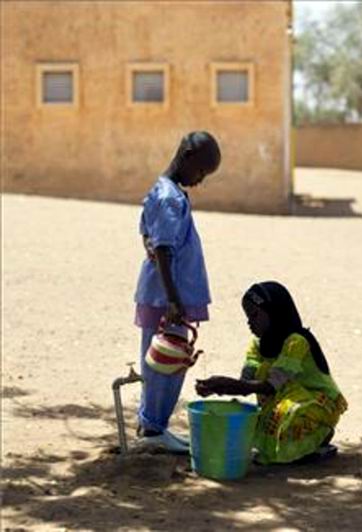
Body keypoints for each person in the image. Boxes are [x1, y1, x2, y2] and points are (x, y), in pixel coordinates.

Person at [134, 131, 221, 453]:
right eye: (200, 172)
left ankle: (151, 424)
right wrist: (173, 299)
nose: (199, 181)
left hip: (164, 294)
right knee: (166, 362)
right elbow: (164, 249)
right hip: (167, 298)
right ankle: (154, 429)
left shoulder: (163, 191)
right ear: (186, 157)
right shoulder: (169, 197)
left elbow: (148, 237)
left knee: (161, 360)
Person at [196, 281, 348, 465]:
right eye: (247, 318)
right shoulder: (257, 346)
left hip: (315, 404)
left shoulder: (296, 342)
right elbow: (246, 382)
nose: (249, 323)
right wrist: (219, 387)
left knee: (290, 416)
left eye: (254, 315)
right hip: (282, 398)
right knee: (261, 424)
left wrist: (226, 385)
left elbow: (270, 386)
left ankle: (320, 432)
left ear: (274, 312)